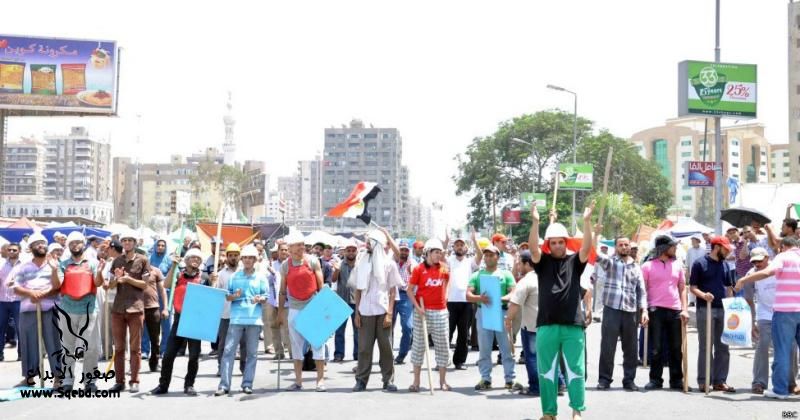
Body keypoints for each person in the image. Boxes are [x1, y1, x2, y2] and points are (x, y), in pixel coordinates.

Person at [529, 201, 595, 420]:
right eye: (553, 242)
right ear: (549, 244)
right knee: (546, 371)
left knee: (575, 370)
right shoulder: (542, 262)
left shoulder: (575, 261)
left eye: (560, 242)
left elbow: (586, 248)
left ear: (566, 243)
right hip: (546, 324)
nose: (557, 245)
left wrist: (587, 222)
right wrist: (535, 222)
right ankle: (549, 413)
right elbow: (533, 249)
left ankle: (577, 411)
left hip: (573, 325)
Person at [736, 237, 800, 399]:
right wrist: (752, 321)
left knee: (785, 350)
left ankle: (784, 387)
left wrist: (742, 279)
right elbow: (749, 300)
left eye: (759, 260)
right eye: (754, 261)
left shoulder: (781, 258)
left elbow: (767, 272)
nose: (757, 264)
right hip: (769, 314)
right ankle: (760, 381)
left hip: (784, 312)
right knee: (765, 346)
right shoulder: (753, 273)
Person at [50, 231, 104, 392]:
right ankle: (67, 381)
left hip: (89, 309)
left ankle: (90, 381)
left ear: (83, 244)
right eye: (71, 243)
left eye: (77, 242)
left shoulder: (93, 263)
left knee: (91, 347)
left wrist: (100, 271)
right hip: (67, 310)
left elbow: (98, 283)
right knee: (67, 347)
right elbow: (57, 285)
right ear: (68, 246)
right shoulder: (63, 264)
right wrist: (54, 270)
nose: (75, 245)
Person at [350, 229, 402, 392]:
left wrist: (389, 313)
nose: (366, 245)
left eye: (369, 242)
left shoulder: (389, 264)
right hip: (365, 312)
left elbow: (392, 291)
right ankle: (361, 381)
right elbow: (358, 290)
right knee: (364, 348)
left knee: (386, 348)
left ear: (377, 244)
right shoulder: (361, 263)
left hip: (383, 311)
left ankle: (388, 380)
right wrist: (357, 313)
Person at [150, 248, 206, 396]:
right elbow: (166, 285)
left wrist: (214, 281)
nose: (195, 260)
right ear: (186, 260)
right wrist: (173, 266)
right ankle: (163, 385)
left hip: (195, 320)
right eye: (192, 257)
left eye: (198, 258)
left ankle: (189, 385)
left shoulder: (204, 278)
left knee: (193, 356)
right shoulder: (178, 274)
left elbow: (211, 296)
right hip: (179, 319)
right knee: (168, 355)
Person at [10, 233, 63, 388]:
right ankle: (29, 376)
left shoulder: (54, 264)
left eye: (42, 243)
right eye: (36, 244)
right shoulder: (23, 267)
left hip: (50, 308)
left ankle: (58, 377)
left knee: (54, 342)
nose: (40, 245)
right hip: (28, 309)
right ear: (31, 248)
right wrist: (31, 293)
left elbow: (58, 286)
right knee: (28, 342)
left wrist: (53, 271)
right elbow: (16, 287)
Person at [595, 235, 648, 392]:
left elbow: (641, 291)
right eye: (621, 245)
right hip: (611, 309)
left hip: (631, 311)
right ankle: (604, 380)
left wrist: (644, 310)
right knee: (608, 346)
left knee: (631, 349)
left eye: (626, 245)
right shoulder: (610, 263)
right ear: (616, 247)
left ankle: (629, 380)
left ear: (630, 247)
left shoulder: (636, 267)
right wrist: (595, 233)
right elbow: (594, 254)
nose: (624, 247)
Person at [215, 245, 268, 396]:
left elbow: (266, 297)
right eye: (245, 258)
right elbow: (228, 297)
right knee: (228, 351)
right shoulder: (234, 277)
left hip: (254, 320)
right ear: (242, 259)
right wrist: (235, 296)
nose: (248, 260)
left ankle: (247, 384)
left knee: (252, 353)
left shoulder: (261, 277)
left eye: (251, 258)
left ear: (255, 260)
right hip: (236, 319)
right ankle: (224, 385)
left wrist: (259, 299)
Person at [467, 244, 521, 392]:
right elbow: (468, 295)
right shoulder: (477, 275)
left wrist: (500, 298)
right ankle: (485, 378)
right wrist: (480, 298)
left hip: (502, 312)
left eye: (491, 255)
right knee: (484, 348)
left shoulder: (506, 274)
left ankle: (510, 379)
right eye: (486, 255)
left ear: (498, 257)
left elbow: (514, 293)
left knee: (506, 348)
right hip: (484, 312)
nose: (488, 257)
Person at [640, 235, 690, 391]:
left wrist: (685, 309)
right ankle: (655, 380)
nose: (675, 248)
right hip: (655, 309)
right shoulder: (647, 266)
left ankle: (676, 380)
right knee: (656, 348)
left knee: (676, 348)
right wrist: (644, 310)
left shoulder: (678, 265)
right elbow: (642, 290)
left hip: (675, 310)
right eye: (672, 246)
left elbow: (682, 288)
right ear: (663, 248)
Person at [279, 231, 326, 392]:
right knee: (296, 346)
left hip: (313, 307)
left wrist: (324, 310)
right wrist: (280, 313)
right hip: (294, 308)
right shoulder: (285, 265)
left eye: (302, 244)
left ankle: (320, 381)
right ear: (290, 248)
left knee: (317, 344)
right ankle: (298, 381)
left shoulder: (312, 261)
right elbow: (282, 291)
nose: (301, 247)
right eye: (298, 245)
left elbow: (321, 287)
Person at [104, 229, 149, 393]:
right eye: (125, 240)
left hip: (136, 308)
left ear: (135, 243)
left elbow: (145, 284)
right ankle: (119, 381)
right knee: (119, 348)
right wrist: (116, 279)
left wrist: (128, 279)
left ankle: (134, 380)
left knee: (135, 348)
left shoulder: (143, 260)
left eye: (130, 240)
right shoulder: (116, 261)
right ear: (122, 243)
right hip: (118, 308)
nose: (127, 243)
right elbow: (109, 285)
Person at [689, 235, 735, 393]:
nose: (728, 252)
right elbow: (692, 287)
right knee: (706, 346)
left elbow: (729, 287)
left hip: (723, 309)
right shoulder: (699, 263)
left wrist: (731, 304)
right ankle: (704, 380)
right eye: (726, 249)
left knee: (723, 346)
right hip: (705, 309)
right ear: (717, 247)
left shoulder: (725, 265)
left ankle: (720, 381)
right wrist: (704, 295)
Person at [407, 238, 452, 392]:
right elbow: (409, 290)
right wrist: (417, 307)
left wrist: (446, 295)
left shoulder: (444, 268)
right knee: (418, 346)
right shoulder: (418, 269)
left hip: (440, 311)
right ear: (428, 253)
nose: (439, 255)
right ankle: (416, 382)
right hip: (422, 312)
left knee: (443, 346)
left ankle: (443, 381)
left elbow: (448, 282)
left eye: (440, 252)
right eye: (436, 252)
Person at [505, 250, 540, 396]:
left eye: (520, 263)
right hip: (548, 326)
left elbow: (515, 303)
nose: (518, 266)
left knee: (532, 358)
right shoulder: (545, 277)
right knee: (550, 357)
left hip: (531, 327)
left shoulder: (526, 281)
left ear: (527, 264)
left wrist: (508, 319)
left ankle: (535, 387)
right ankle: (559, 383)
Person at [447, 230, 481, 370]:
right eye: (457, 245)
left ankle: (459, 361)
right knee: (447, 332)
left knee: (463, 334)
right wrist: (446, 240)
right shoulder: (449, 261)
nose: (459, 247)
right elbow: (440, 257)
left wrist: (474, 240)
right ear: (453, 247)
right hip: (450, 301)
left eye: (462, 245)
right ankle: (442, 360)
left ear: (466, 248)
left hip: (467, 302)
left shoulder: (470, 262)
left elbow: (480, 255)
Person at [214, 243, 247, 375]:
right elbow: (216, 293)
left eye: (235, 255)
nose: (233, 258)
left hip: (243, 313)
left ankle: (244, 367)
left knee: (244, 343)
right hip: (226, 314)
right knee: (223, 343)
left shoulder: (246, 272)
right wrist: (213, 281)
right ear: (227, 257)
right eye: (231, 255)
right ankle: (221, 367)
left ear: (239, 257)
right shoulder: (221, 274)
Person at [333, 239, 358, 362]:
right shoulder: (339, 264)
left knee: (358, 330)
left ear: (356, 252)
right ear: (345, 252)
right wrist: (336, 270)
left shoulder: (360, 265)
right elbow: (333, 280)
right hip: (341, 301)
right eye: (349, 250)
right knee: (339, 331)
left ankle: (357, 354)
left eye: (353, 250)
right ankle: (339, 354)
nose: (351, 252)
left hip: (356, 302)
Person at [266, 242, 290, 360]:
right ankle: (279, 352)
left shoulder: (291, 265)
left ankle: (292, 352)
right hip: (272, 299)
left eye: (286, 250)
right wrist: (271, 274)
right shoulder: (272, 265)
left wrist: (275, 274)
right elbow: (268, 282)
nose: (284, 252)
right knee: (274, 326)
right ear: (278, 251)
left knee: (288, 327)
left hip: (287, 301)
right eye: (282, 250)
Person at [393, 239, 415, 365]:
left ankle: (402, 354)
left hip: (405, 296)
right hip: (391, 295)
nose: (403, 252)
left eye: (406, 250)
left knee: (408, 327)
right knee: (387, 327)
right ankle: (387, 355)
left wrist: (412, 273)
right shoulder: (391, 262)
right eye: (401, 250)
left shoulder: (413, 264)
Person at [0, 242, 22, 363]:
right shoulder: (1, 264)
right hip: (2, 301)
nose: (12, 252)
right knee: (0, 329)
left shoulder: (24, 265)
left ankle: (22, 354)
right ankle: (0, 354)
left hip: (18, 301)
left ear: (19, 251)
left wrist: (17, 283)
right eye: (9, 250)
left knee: (20, 329)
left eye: (14, 250)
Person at [685, 235, 706, 307]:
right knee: (692, 285)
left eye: (694, 240)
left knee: (701, 285)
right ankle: (692, 301)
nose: (692, 242)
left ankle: (701, 299)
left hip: (702, 271)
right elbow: (687, 262)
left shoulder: (703, 250)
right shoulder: (689, 250)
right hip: (692, 270)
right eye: (692, 241)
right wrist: (687, 272)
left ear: (698, 241)